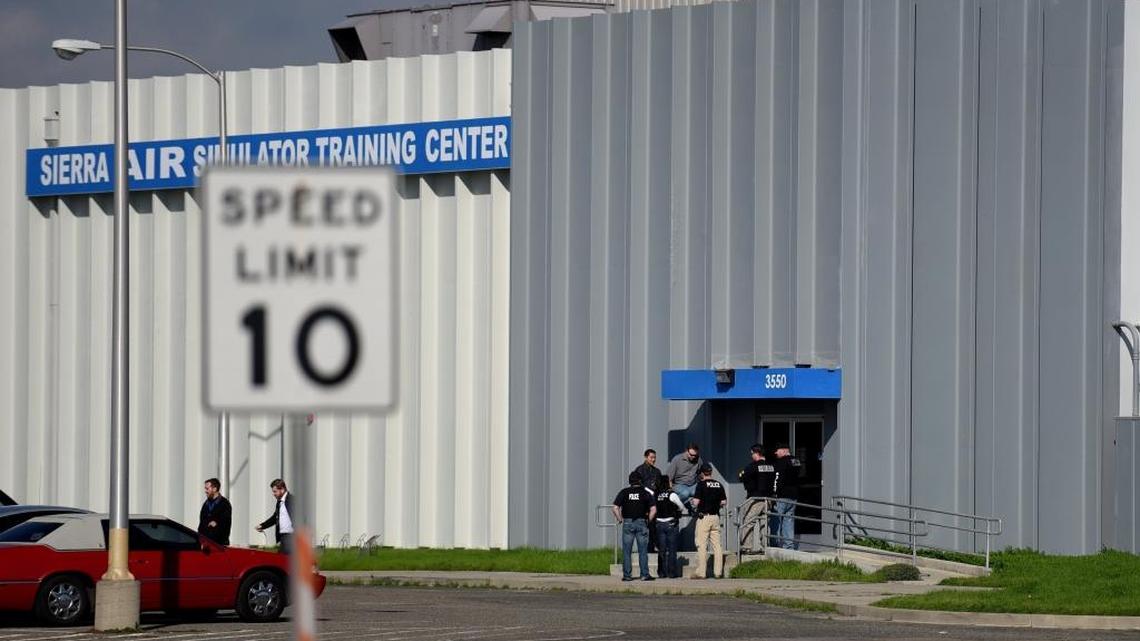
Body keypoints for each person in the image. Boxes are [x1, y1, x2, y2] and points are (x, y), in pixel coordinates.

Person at [611, 471, 657, 582]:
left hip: (627, 523)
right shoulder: (645, 492)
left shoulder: (624, 492)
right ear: (640, 481)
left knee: (627, 551)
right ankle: (644, 575)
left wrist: (620, 519)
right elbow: (653, 509)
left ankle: (627, 575)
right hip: (642, 522)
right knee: (642, 550)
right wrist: (648, 520)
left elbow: (615, 507)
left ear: (630, 481)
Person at [690, 464, 727, 579]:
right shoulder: (719, 484)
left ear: (701, 473)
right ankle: (718, 572)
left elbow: (696, 502)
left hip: (704, 518)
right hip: (715, 517)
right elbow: (724, 502)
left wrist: (692, 501)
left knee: (702, 545)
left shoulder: (701, 485)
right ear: (711, 472)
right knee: (717, 546)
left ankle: (701, 572)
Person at [737, 444, 775, 553]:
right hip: (768, 499)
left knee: (748, 522)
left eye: (752, 453)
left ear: (757, 453)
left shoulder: (752, 466)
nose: (751, 456)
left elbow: (741, 476)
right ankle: (765, 547)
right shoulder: (772, 466)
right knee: (764, 523)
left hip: (755, 499)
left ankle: (747, 547)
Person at [769, 444, 802, 550]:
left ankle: (775, 545)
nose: (775, 453)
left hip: (781, 496)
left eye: (777, 450)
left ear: (784, 450)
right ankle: (789, 546)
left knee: (776, 520)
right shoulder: (796, 461)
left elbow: (777, 478)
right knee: (789, 521)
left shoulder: (781, 462)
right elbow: (799, 476)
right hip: (793, 496)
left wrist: (774, 493)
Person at [654, 477, 685, 578]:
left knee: (661, 550)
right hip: (671, 524)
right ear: (667, 483)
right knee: (672, 549)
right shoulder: (672, 494)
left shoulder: (656, 495)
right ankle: (671, 573)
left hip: (659, 524)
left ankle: (661, 572)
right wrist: (677, 511)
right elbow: (681, 506)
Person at [633, 449, 662, 552]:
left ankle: (652, 547)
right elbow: (637, 485)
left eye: (654, 457)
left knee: (654, 525)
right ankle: (643, 548)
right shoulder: (639, 470)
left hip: (655, 502)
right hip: (644, 502)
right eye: (651, 457)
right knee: (643, 525)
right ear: (646, 457)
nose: (653, 460)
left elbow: (660, 486)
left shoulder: (657, 471)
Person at [256, 478, 295, 554]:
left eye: (275, 491)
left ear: (282, 489)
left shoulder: (292, 500)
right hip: (283, 537)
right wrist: (262, 525)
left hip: (291, 537)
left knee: (286, 559)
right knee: (281, 559)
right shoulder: (279, 502)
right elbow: (275, 518)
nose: (273, 494)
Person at [666, 443, 704, 509]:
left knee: (703, 491)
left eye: (695, 455)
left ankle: (696, 508)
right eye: (691, 455)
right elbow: (669, 477)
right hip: (679, 484)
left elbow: (700, 474)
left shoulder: (699, 460)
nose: (693, 457)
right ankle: (675, 505)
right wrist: (670, 491)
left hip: (692, 485)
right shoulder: (677, 459)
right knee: (685, 493)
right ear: (686, 451)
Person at [197, 477, 232, 546]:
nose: (205, 491)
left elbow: (225, 524)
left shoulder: (224, 504)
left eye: (207, 489)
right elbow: (201, 523)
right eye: (205, 488)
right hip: (206, 544)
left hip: (219, 545)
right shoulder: (206, 504)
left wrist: (217, 524)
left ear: (215, 489)